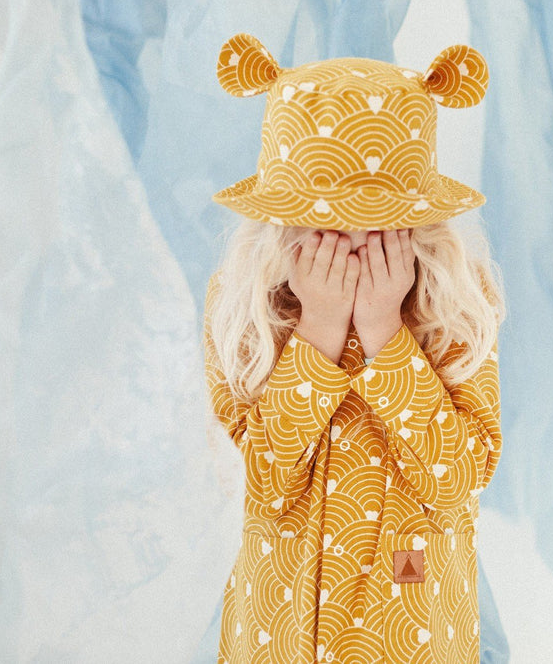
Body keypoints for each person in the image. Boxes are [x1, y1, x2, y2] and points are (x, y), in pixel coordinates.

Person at [204, 33, 505, 664]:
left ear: (416, 222)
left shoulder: (456, 302)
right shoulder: (244, 302)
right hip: (279, 631)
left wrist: (385, 331)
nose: (347, 244)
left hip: (409, 624)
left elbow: (455, 480)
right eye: (322, 222)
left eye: (374, 220)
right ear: (281, 222)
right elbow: (264, 481)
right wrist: (317, 328)